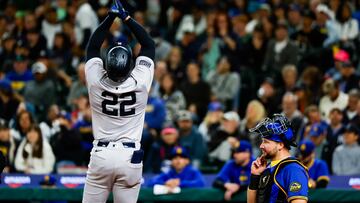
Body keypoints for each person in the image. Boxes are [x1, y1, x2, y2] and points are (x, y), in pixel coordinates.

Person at [82, 0, 155, 202]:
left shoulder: (96, 81)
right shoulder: (139, 81)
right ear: (130, 64)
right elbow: (148, 44)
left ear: (107, 65)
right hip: (130, 157)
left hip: (101, 155)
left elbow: (93, 46)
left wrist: (110, 17)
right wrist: (126, 17)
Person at [247, 114, 309, 203]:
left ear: (280, 145)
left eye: (266, 142)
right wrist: (255, 176)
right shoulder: (266, 168)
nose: (261, 146)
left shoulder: (293, 169)